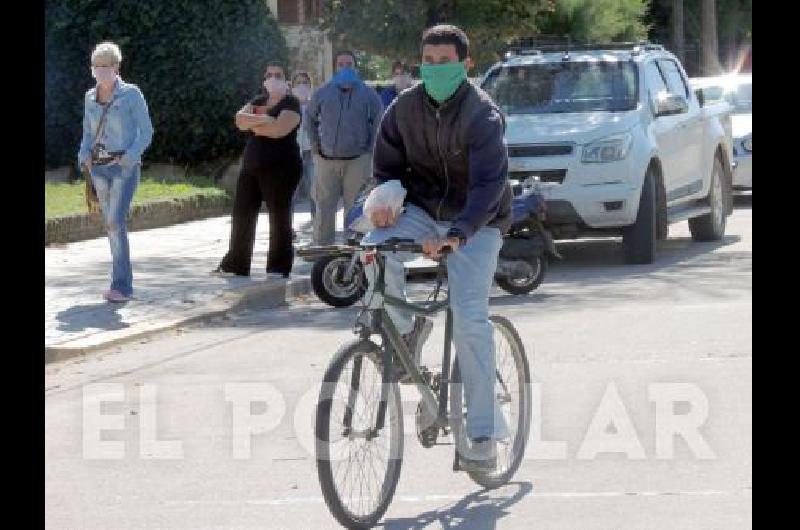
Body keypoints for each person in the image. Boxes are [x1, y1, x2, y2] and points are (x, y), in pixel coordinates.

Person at [360, 24, 513, 472]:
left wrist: (459, 232)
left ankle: (482, 434)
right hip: (424, 208)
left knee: (469, 320)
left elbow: (490, 184)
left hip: (479, 218)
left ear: (466, 65)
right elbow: (385, 170)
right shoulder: (401, 110)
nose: (435, 69)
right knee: (373, 246)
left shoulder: (483, 115)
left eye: (444, 62)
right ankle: (405, 329)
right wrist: (384, 202)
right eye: (428, 61)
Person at [78, 41, 153, 303]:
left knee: (115, 223)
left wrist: (130, 158)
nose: (100, 71)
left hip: (123, 168)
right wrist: (83, 154)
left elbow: (147, 132)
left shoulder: (131, 94)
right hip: (98, 168)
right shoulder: (90, 96)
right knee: (110, 226)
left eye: (106, 66)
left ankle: (122, 286)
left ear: (116, 67)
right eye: (96, 67)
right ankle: (119, 282)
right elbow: (88, 132)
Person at [213, 62, 303, 279]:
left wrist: (255, 122)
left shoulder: (292, 102)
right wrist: (265, 120)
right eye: (269, 75)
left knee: (279, 217)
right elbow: (239, 120)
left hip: (282, 168)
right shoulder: (258, 100)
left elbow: (279, 130)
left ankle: (278, 267)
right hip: (252, 166)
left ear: (286, 80)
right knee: (242, 214)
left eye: (278, 75)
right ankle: (235, 263)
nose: (273, 78)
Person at [305, 50, 384, 245]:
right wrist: (315, 148)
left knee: (356, 209)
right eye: (341, 64)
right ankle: (323, 252)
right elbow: (309, 119)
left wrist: (370, 152)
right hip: (326, 160)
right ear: (335, 67)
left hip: (357, 160)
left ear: (355, 67)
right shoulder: (322, 92)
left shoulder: (368, 94)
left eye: (349, 64)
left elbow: (379, 121)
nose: (345, 68)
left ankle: (353, 253)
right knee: (324, 206)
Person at [290, 71, 316, 218]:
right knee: (290, 191)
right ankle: (287, 228)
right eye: (298, 83)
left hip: (311, 152)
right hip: (293, 152)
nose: (301, 86)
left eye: (305, 82)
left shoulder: (315, 104)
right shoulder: (287, 105)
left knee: (315, 190)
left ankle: (317, 225)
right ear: (292, 86)